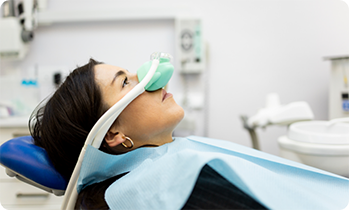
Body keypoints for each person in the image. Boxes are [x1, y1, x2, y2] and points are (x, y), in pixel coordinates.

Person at [30, 59, 349, 210]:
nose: (152, 80)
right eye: (126, 83)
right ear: (113, 132)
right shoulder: (170, 186)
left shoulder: (172, 161)